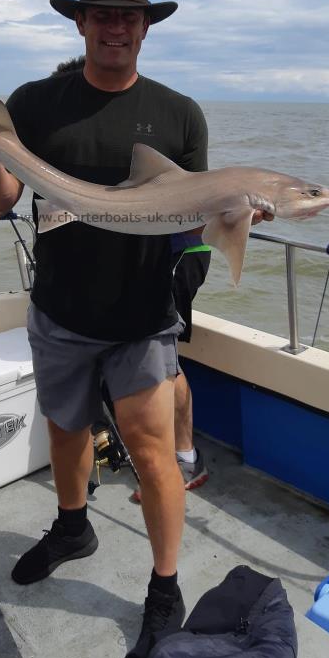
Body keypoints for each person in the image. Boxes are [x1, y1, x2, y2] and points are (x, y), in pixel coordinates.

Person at [0, 0, 271, 658]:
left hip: (142, 312)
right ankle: (71, 528)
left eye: (129, 15)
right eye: (103, 14)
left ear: (146, 27)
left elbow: (191, 222)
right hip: (60, 304)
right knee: (64, 429)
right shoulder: (32, 103)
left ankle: (162, 588)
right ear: (80, 22)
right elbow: (0, 201)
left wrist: (234, 211)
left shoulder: (179, 113)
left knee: (153, 454)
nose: (116, 26)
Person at [52, 53, 211, 497]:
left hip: (182, 252)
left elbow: (190, 202)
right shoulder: (88, 131)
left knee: (167, 364)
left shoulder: (162, 117)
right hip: (151, 251)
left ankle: (185, 459)